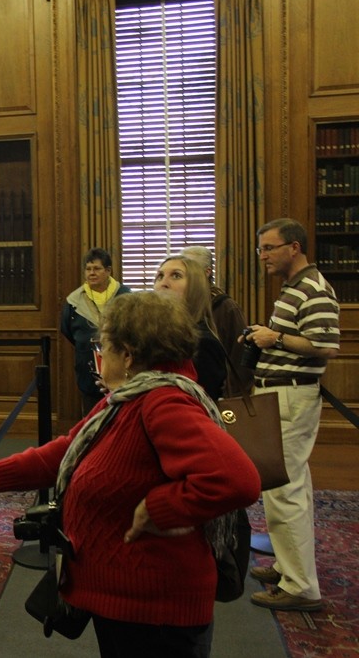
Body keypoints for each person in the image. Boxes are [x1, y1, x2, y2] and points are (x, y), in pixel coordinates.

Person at [0, 291, 260, 658]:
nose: (99, 355)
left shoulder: (163, 401)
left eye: (103, 345)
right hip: (128, 604)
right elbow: (69, 450)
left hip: (156, 615)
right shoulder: (126, 400)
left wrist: (158, 508)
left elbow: (237, 479)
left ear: (128, 354)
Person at [243, 218, 339, 612]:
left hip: (292, 396)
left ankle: (300, 587)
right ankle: (287, 567)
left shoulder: (313, 288)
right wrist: (266, 334)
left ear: (294, 247)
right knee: (283, 488)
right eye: (261, 249)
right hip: (280, 396)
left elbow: (326, 345)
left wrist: (276, 337)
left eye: (269, 248)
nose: (263, 256)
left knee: (286, 490)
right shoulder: (294, 287)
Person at [60, 248, 131, 415]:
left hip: (122, 370)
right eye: (88, 269)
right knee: (92, 418)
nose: (91, 273)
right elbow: (67, 330)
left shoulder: (126, 297)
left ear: (108, 270)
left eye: (97, 269)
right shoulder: (74, 301)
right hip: (88, 372)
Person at [153, 255, 226, 400]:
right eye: (160, 276)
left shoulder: (203, 342)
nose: (163, 283)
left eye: (176, 275)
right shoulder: (153, 336)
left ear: (195, 288)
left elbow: (203, 402)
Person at [181, 246, 252, 394]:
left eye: (192, 268)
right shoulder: (179, 307)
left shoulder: (226, 307)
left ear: (207, 272)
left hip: (219, 393)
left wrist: (231, 395)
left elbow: (240, 357)